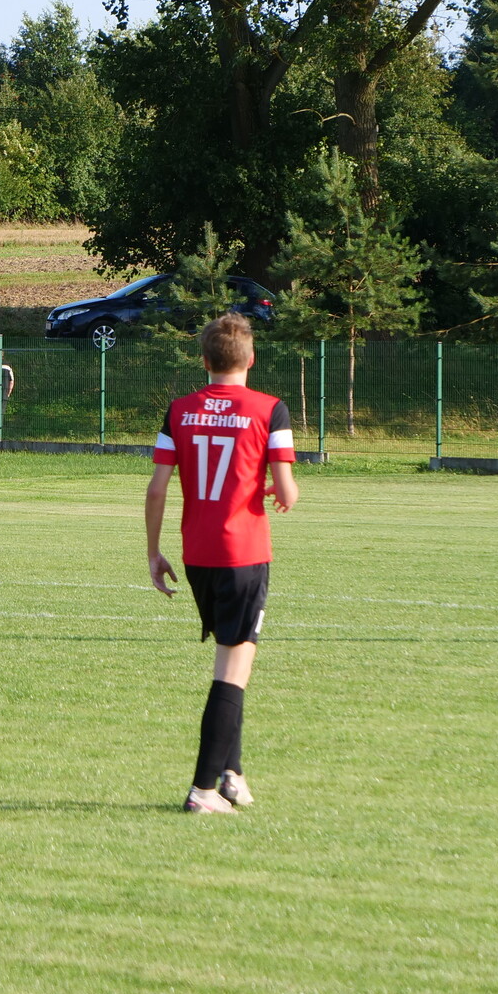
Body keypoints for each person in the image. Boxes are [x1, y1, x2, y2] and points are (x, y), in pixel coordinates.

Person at [144, 313, 299, 814]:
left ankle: (232, 775)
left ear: (204, 360)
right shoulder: (270, 409)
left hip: (198, 555)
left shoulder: (179, 410)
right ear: (251, 359)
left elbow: (158, 487)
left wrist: (153, 551)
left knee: (232, 657)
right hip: (244, 554)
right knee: (233, 669)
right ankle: (203, 789)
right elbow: (287, 493)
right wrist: (279, 489)